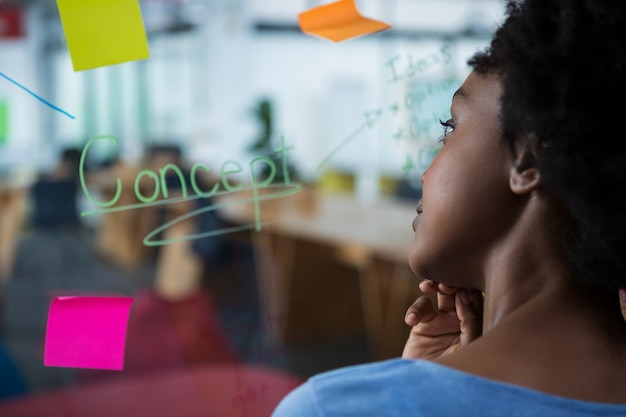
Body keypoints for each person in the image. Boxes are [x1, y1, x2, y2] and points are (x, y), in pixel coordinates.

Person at [271, 0, 626, 415]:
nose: (426, 172)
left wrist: (410, 394)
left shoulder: (329, 409)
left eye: (450, 127)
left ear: (528, 158)